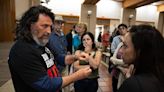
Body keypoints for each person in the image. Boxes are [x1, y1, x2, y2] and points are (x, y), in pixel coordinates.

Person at [8, 5, 92, 92]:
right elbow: (46, 84)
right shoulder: (22, 50)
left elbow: (57, 57)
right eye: (44, 26)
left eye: (50, 27)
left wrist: (75, 57)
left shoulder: (41, 42)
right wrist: (77, 75)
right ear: (30, 25)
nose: (49, 31)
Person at [118, 24, 164, 92]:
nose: (120, 50)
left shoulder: (133, 85)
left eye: (125, 46)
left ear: (139, 51)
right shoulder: (158, 76)